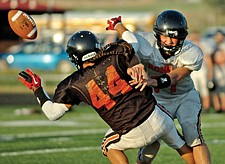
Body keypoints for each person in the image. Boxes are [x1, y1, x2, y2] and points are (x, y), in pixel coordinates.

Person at [18, 30, 194, 164]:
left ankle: (149, 147)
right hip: (158, 117)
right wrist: (118, 26)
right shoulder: (115, 54)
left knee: (108, 145)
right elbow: (132, 40)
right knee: (181, 145)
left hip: (129, 128)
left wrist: (37, 89)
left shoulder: (73, 84)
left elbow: (52, 114)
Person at [106, 10, 211, 164]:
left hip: (184, 97)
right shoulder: (146, 43)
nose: (169, 41)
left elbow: (175, 76)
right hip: (158, 100)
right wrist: (118, 25)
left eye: (174, 37)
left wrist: (152, 82)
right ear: (157, 34)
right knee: (151, 141)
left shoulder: (192, 52)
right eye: (166, 36)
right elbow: (129, 40)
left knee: (192, 133)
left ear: (182, 37)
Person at [187, 31, 214, 113]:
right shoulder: (189, 45)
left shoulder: (203, 45)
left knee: (204, 89)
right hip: (193, 70)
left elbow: (208, 58)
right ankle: (198, 106)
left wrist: (210, 71)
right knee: (195, 90)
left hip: (202, 69)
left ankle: (206, 107)